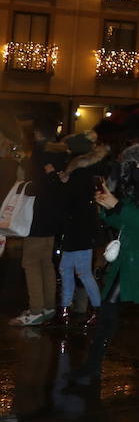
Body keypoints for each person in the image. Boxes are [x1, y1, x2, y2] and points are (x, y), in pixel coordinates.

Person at [76, 145, 139, 385]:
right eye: (134, 165)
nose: (137, 170)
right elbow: (124, 221)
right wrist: (106, 206)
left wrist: (117, 206)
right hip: (129, 264)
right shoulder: (138, 192)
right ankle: (91, 367)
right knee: (107, 315)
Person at [11, 126, 66, 327]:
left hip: (36, 219)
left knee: (31, 263)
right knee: (46, 263)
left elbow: (36, 187)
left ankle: (35, 310)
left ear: (40, 133)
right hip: (52, 221)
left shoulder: (39, 155)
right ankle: (48, 307)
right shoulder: (62, 155)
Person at [54, 138, 107, 327]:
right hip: (79, 231)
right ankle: (66, 310)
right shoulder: (83, 172)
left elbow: (69, 203)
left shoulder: (79, 173)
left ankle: (96, 310)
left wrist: (62, 182)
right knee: (68, 270)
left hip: (78, 231)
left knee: (81, 272)